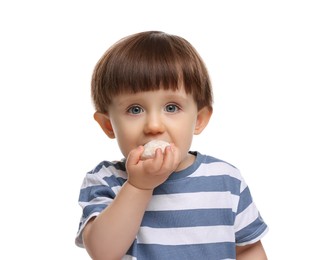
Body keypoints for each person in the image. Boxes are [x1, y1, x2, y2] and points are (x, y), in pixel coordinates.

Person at [75, 31, 268, 260]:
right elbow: (103, 252)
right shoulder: (106, 180)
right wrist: (138, 187)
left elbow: (248, 249)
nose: (154, 126)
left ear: (199, 119)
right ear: (108, 125)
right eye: (135, 109)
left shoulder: (227, 180)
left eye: (171, 107)